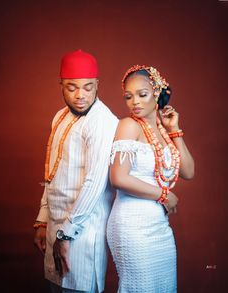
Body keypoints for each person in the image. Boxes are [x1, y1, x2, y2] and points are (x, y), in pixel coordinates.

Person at [33, 49, 118, 293]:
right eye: (72, 87)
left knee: (76, 287)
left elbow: (95, 183)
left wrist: (66, 235)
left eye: (88, 87)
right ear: (60, 84)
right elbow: (52, 171)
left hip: (81, 234)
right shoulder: (59, 116)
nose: (80, 95)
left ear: (97, 85)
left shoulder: (102, 121)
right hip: (55, 229)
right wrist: (42, 220)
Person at [107, 65, 194, 292]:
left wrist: (174, 129)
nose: (134, 102)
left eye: (142, 94)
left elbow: (188, 172)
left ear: (157, 93)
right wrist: (163, 194)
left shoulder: (163, 131)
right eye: (128, 96)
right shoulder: (129, 126)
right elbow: (118, 177)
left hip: (159, 227)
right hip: (131, 226)